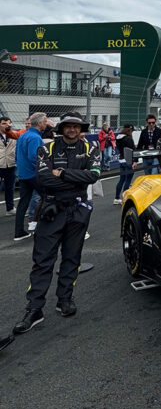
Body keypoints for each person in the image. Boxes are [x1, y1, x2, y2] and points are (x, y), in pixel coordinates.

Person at [13, 112, 101, 333]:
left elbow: (93, 176)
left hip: (78, 210)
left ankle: (65, 299)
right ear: (61, 128)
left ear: (81, 129)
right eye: (68, 126)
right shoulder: (46, 148)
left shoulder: (91, 148)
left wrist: (61, 173)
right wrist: (73, 178)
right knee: (43, 260)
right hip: (51, 210)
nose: (72, 130)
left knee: (72, 257)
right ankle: (34, 309)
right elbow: (43, 178)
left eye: (76, 126)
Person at [13, 112, 48, 241]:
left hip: (23, 174)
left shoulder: (23, 136)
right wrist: (45, 170)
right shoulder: (35, 137)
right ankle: (43, 225)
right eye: (45, 121)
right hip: (34, 174)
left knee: (23, 202)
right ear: (39, 123)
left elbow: (17, 155)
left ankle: (19, 232)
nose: (46, 123)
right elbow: (34, 157)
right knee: (48, 197)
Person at [114, 125, 137, 204]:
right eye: (132, 131)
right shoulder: (128, 138)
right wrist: (135, 161)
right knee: (128, 180)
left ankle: (116, 198)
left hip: (121, 159)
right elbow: (132, 150)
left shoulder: (118, 138)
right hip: (128, 160)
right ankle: (125, 198)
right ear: (129, 130)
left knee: (121, 180)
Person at [0, 116, 17, 216]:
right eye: (4, 123)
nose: (7, 125)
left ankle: (10, 208)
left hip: (10, 164)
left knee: (10, 188)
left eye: (9, 123)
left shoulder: (13, 134)